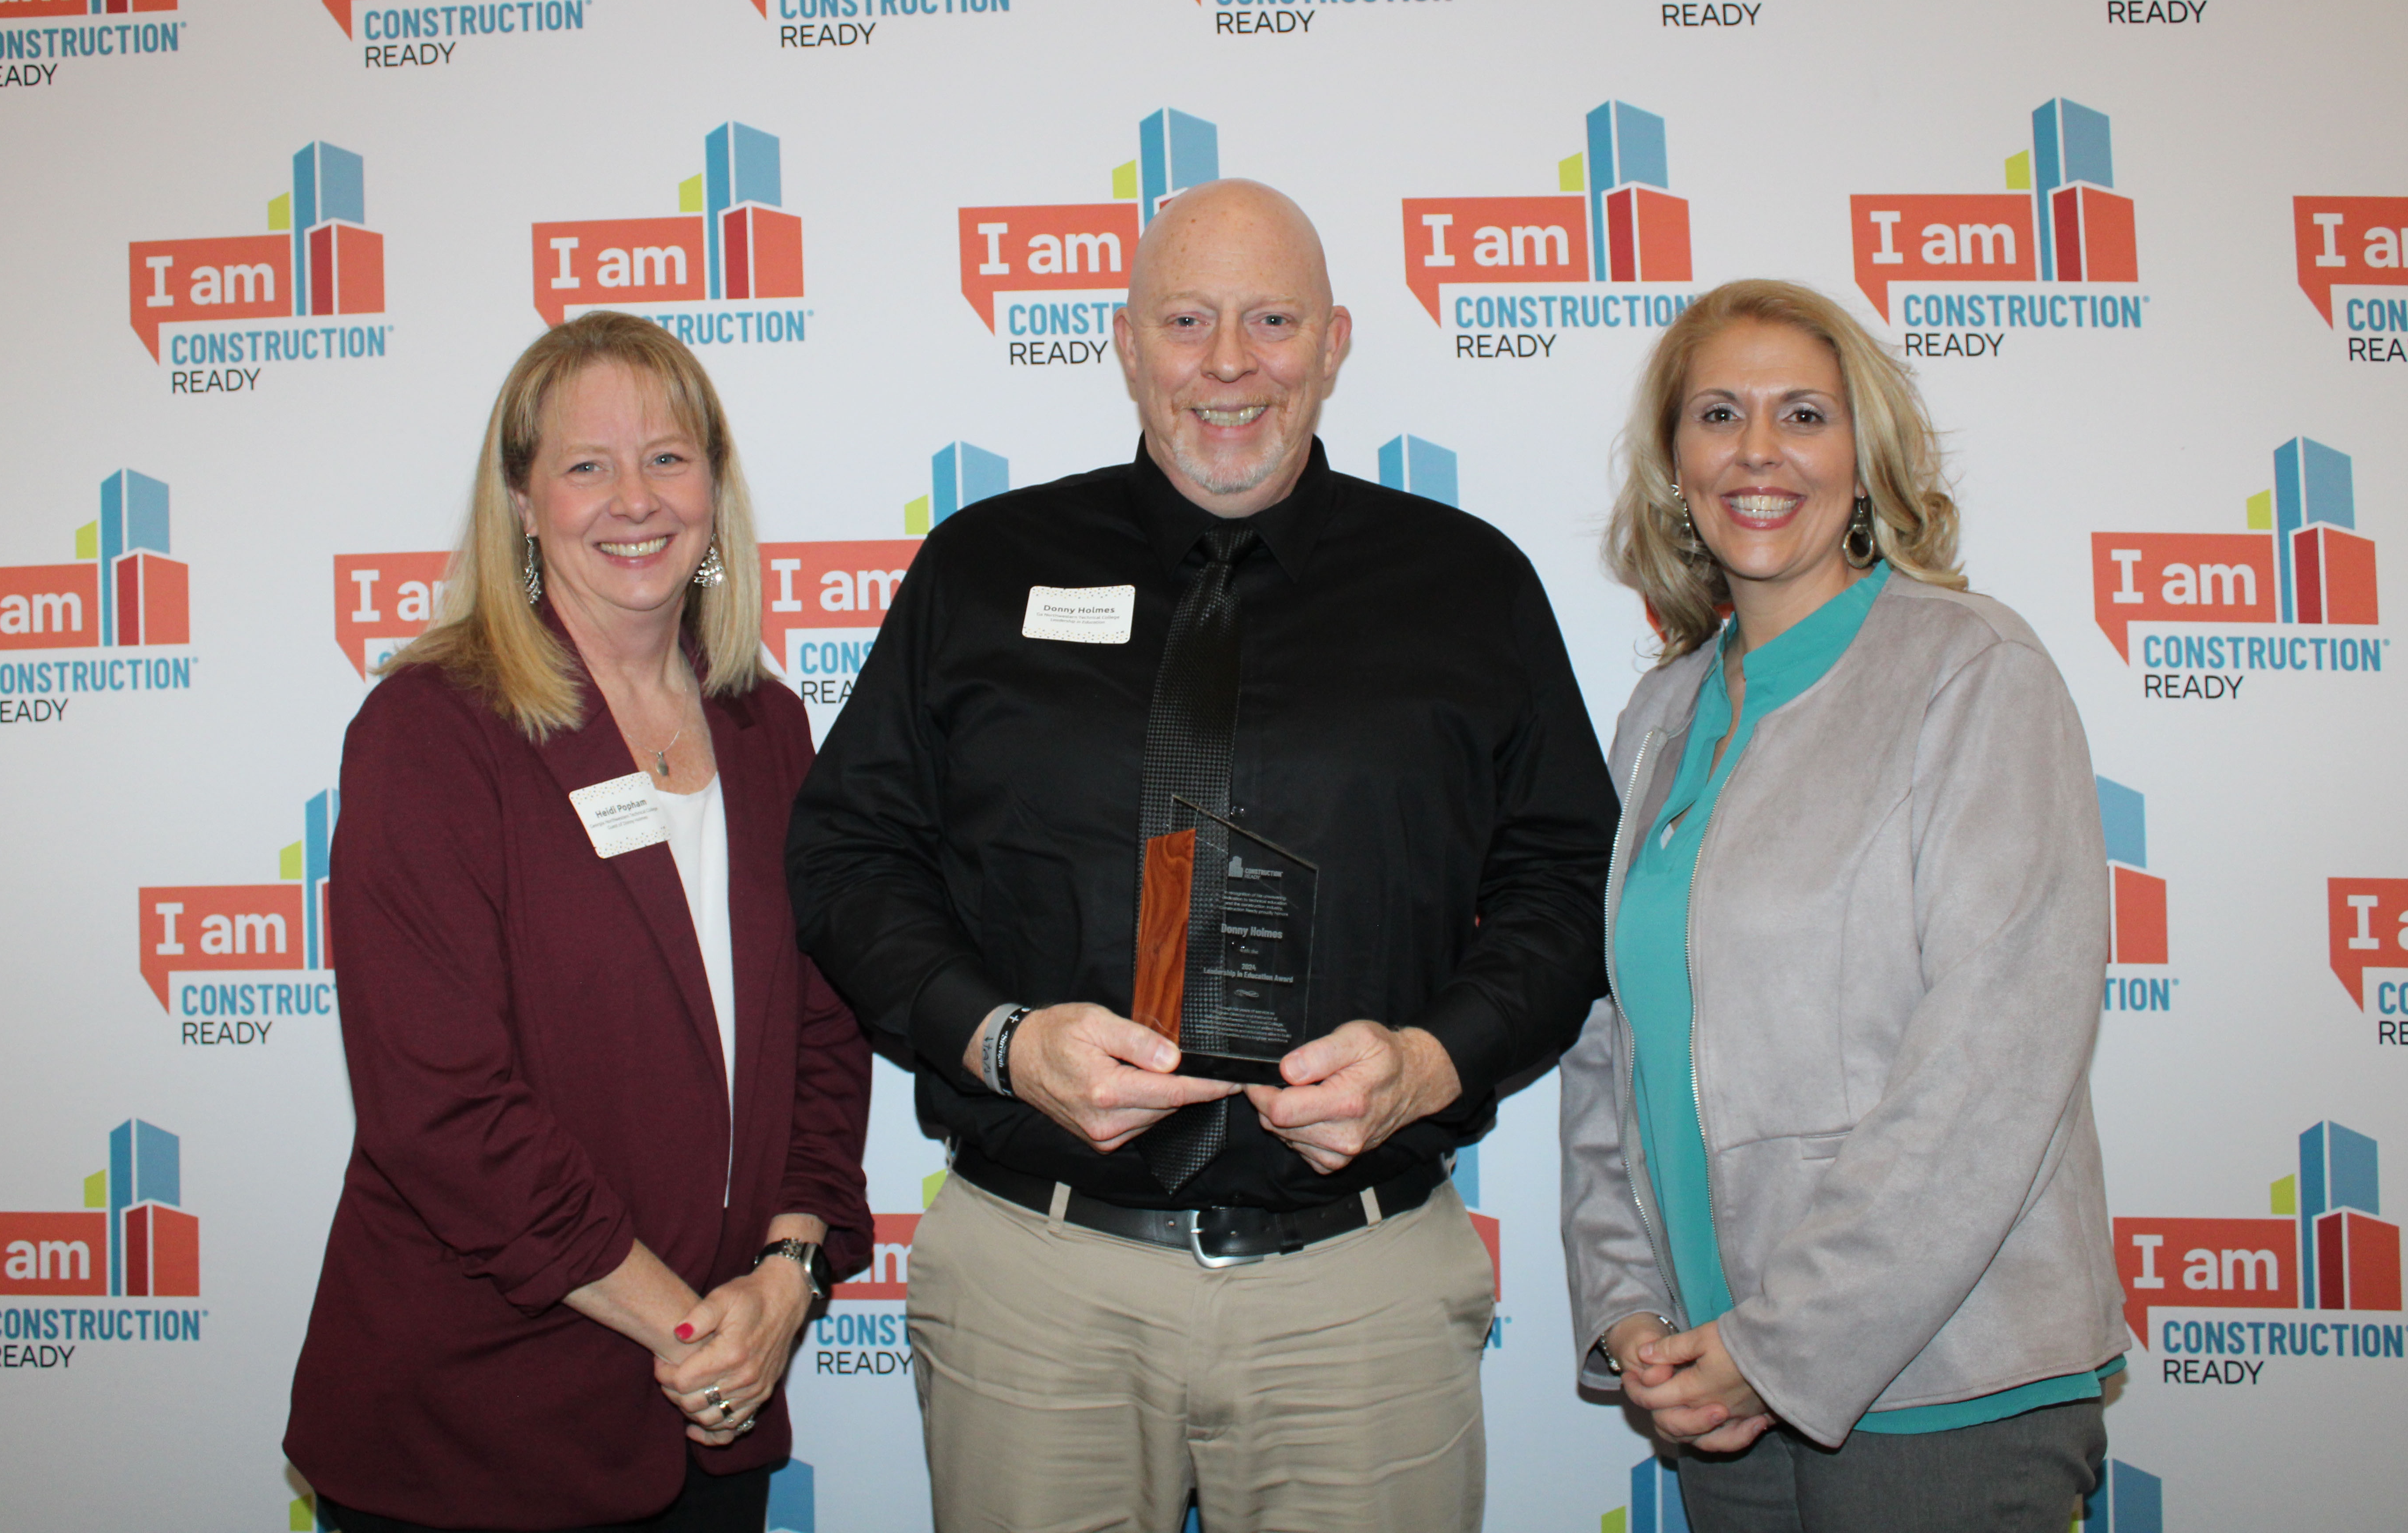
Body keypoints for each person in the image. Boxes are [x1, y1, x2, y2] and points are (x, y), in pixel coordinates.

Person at [787, 178, 1614, 1533]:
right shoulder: (982, 568)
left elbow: (1567, 881)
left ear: (1337, 342)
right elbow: (849, 856)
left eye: (1272, 320)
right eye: (1187, 320)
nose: (1229, 364)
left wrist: (1433, 1060)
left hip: (1356, 1291)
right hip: (1039, 1279)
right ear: (1125, 343)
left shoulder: (1469, 587)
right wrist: (1000, 1041)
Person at [285, 313, 872, 1533]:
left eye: (668, 457)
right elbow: (441, 1110)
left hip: (711, 1426)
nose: (634, 499)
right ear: (520, 501)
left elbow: (825, 1040)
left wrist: (789, 1272)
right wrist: (698, 1329)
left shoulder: (768, 732)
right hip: (478, 1431)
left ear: (714, 487)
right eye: (586, 464)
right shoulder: (435, 732)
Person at [1558, 280, 2125, 1531]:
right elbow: (1611, 1048)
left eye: (1803, 414)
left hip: (1944, 1391)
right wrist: (1629, 1309)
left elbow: (1993, 1066)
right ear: (1676, 467)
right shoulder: (1661, 716)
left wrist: (1785, 1344)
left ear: (1865, 463)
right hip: (1713, 1391)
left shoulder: (1974, 673)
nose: (1758, 451)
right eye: (1718, 414)